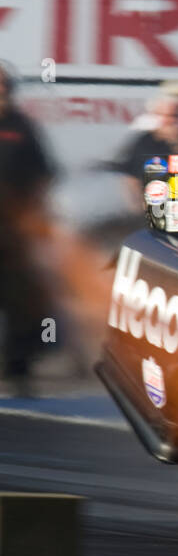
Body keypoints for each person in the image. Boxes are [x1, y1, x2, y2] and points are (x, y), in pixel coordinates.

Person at [0, 64, 57, 394]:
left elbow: (45, 174)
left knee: (21, 299)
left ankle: (18, 367)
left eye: (4, 85)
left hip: (14, 231)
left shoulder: (23, 127)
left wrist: (33, 216)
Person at [111, 87, 178, 196]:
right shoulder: (144, 142)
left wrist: (177, 141)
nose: (171, 121)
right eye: (166, 115)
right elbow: (131, 177)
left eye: (176, 116)